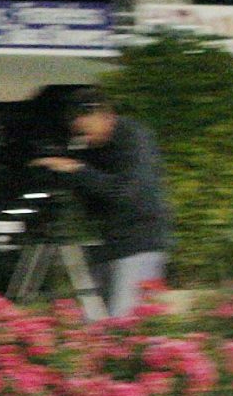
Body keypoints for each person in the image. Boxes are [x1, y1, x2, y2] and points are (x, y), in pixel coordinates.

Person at [31, 86, 171, 317]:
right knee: (96, 319)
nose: (84, 139)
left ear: (102, 115)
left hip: (139, 244)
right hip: (110, 244)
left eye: (85, 131)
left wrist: (77, 170)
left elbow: (125, 192)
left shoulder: (133, 139)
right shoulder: (94, 147)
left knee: (124, 319)